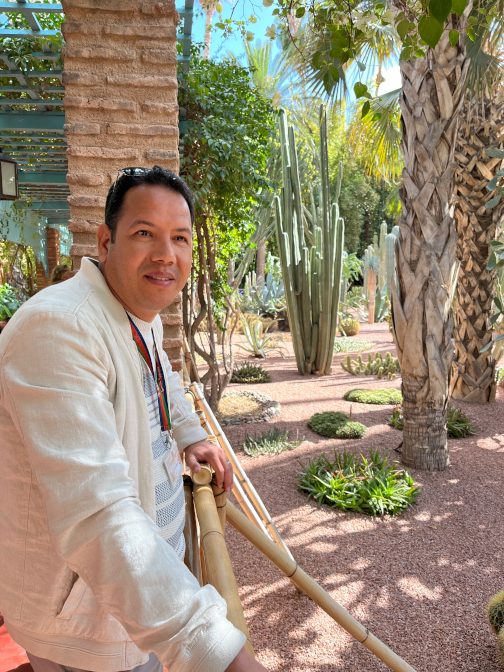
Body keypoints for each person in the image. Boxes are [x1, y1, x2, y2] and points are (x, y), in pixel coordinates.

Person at [0, 166, 268, 672]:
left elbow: (161, 375)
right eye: (144, 233)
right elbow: (98, 515)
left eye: (180, 238)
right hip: (86, 630)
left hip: (132, 610)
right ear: (105, 241)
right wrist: (219, 654)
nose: (166, 254)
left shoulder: (133, 315)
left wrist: (189, 434)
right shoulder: (58, 329)